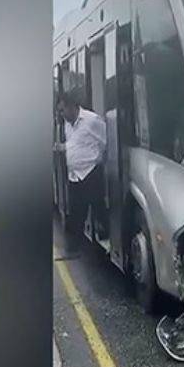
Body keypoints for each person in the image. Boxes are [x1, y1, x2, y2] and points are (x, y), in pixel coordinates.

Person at [58, 92, 107, 258]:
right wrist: (63, 148)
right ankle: (72, 249)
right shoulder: (67, 124)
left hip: (90, 173)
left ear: (73, 106)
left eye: (63, 110)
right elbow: (75, 144)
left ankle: (105, 236)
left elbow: (104, 141)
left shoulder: (92, 120)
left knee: (98, 206)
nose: (62, 114)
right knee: (75, 213)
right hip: (74, 175)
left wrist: (96, 159)